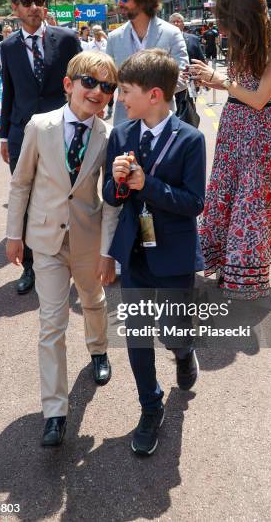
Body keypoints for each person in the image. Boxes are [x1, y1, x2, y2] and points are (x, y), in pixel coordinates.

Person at [6, 51, 119, 447]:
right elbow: (21, 183)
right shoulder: (40, 125)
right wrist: (13, 234)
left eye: (107, 86)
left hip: (87, 240)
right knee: (51, 324)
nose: (98, 92)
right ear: (68, 84)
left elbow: (111, 198)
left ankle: (99, 350)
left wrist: (108, 251)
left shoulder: (108, 135)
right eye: (90, 82)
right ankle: (55, 411)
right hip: (46, 242)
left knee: (93, 300)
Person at [103, 49, 206, 456]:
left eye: (126, 92)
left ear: (155, 94)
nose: (120, 99)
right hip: (135, 252)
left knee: (174, 327)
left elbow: (194, 202)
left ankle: (184, 351)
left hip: (174, 252)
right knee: (138, 334)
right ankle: (150, 405)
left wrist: (149, 185)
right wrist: (115, 183)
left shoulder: (191, 139)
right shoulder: (122, 134)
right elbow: (110, 196)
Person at [187, 0, 271, 299]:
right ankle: (224, 264)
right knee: (227, 194)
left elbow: (259, 98)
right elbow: (238, 88)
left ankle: (245, 275)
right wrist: (210, 80)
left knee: (251, 202)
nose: (223, 26)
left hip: (258, 131)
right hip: (233, 126)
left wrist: (222, 81)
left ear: (242, 15)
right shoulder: (244, 41)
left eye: (227, 18)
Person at [0, 0, 82, 295]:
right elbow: (9, 92)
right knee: (26, 199)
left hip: (62, 130)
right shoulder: (7, 48)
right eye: (27, 3)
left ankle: (74, 258)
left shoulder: (67, 40)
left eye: (39, 1)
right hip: (22, 134)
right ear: (15, 9)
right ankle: (31, 266)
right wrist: (5, 136)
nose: (35, 7)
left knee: (68, 194)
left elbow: (80, 82)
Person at [106, 0, 189, 126]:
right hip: (124, 123)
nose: (119, 3)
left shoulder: (171, 33)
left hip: (163, 123)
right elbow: (108, 79)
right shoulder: (113, 37)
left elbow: (182, 76)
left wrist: (146, 95)